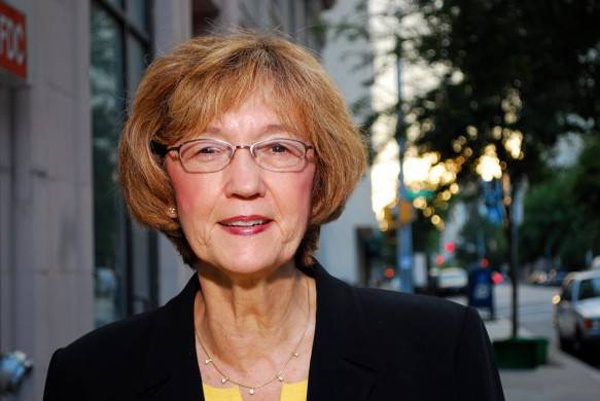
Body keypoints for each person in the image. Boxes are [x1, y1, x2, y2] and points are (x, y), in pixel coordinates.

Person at [43, 32, 504, 401]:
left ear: (317, 181)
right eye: (207, 150)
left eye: (278, 148)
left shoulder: (441, 350)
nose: (245, 183)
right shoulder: (89, 379)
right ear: (166, 187)